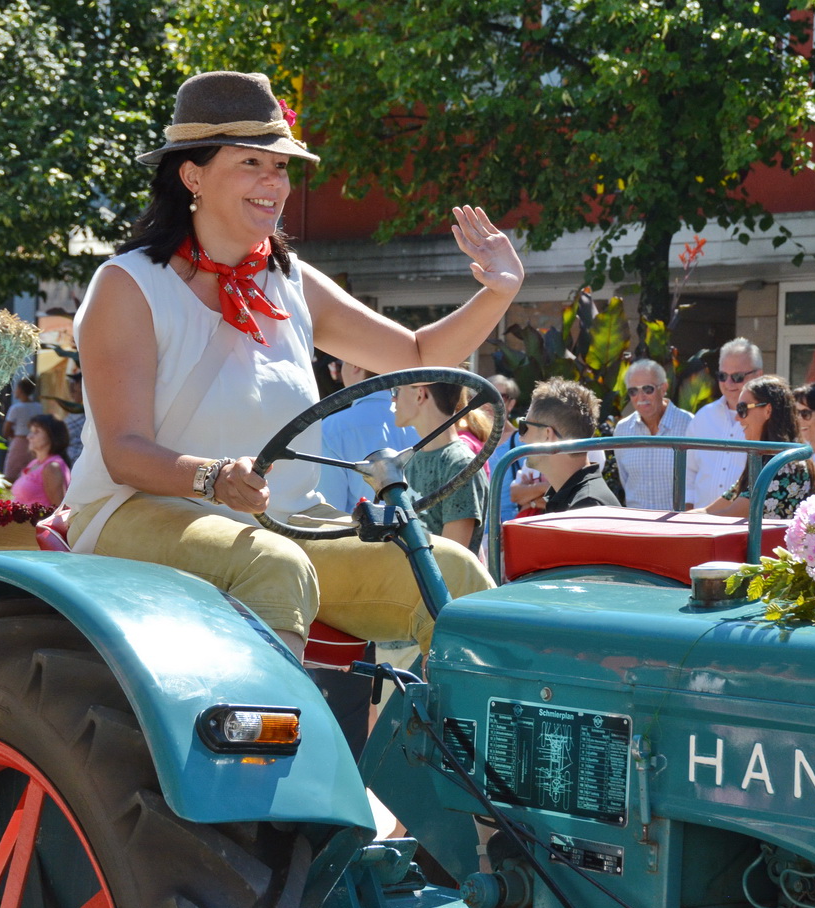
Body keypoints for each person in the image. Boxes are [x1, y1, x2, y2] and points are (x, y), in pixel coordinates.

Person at [61, 70, 522, 655]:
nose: (273, 182)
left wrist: (500, 291)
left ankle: (461, 745)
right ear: (192, 174)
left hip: (284, 522)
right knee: (274, 566)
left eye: (279, 166)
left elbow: (418, 355)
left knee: (448, 570)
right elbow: (124, 452)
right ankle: (275, 744)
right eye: (250, 163)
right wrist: (215, 477)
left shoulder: (292, 281)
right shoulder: (128, 285)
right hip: (136, 514)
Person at [391, 381, 489, 550]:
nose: (393, 399)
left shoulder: (459, 465)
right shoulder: (411, 460)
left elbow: (452, 558)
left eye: (397, 390)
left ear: (420, 394)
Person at [706, 375, 815, 519]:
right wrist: (673, 518)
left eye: (742, 409)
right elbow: (711, 511)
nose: (737, 418)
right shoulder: (764, 459)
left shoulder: (785, 465)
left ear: (768, 410)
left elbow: (729, 516)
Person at [317, 359, 416, 513]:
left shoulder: (331, 428)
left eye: (343, 361)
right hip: (427, 534)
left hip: (364, 535)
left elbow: (330, 510)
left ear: (355, 365)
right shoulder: (418, 420)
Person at [685, 338, 762, 508]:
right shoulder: (703, 417)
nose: (728, 383)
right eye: (722, 376)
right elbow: (688, 472)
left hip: (747, 528)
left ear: (758, 375)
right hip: (701, 525)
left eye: (737, 377)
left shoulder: (768, 420)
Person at [520, 379, 618, 511]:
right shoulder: (575, 498)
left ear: (547, 434)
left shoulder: (587, 506)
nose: (521, 438)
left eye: (524, 427)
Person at [613, 359, 694, 510]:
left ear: (663, 388)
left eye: (648, 389)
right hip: (638, 526)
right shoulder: (622, 430)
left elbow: (699, 482)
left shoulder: (690, 425)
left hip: (679, 526)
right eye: (633, 391)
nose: (640, 397)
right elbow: (626, 481)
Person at [487, 374, 528, 523]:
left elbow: (533, 491)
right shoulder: (469, 440)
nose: (491, 403)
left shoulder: (520, 441)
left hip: (505, 529)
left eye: (499, 397)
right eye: (485, 396)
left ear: (511, 404)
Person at [13, 414, 72, 507]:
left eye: (36, 432)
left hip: (39, 521)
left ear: (52, 436)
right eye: (31, 431)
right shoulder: (34, 463)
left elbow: (59, 510)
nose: (29, 437)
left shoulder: (52, 467)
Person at [2, 377, 45, 481]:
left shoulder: (16, 408)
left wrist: (13, 435)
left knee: (11, 474)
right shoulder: (39, 407)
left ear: (20, 390)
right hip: (36, 442)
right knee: (32, 472)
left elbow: (6, 430)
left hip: (19, 442)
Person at [62, 369, 86, 466]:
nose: (72, 386)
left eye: (75, 382)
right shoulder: (75, 409)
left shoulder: (84, 411)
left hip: (77, 460)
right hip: (72, 460)